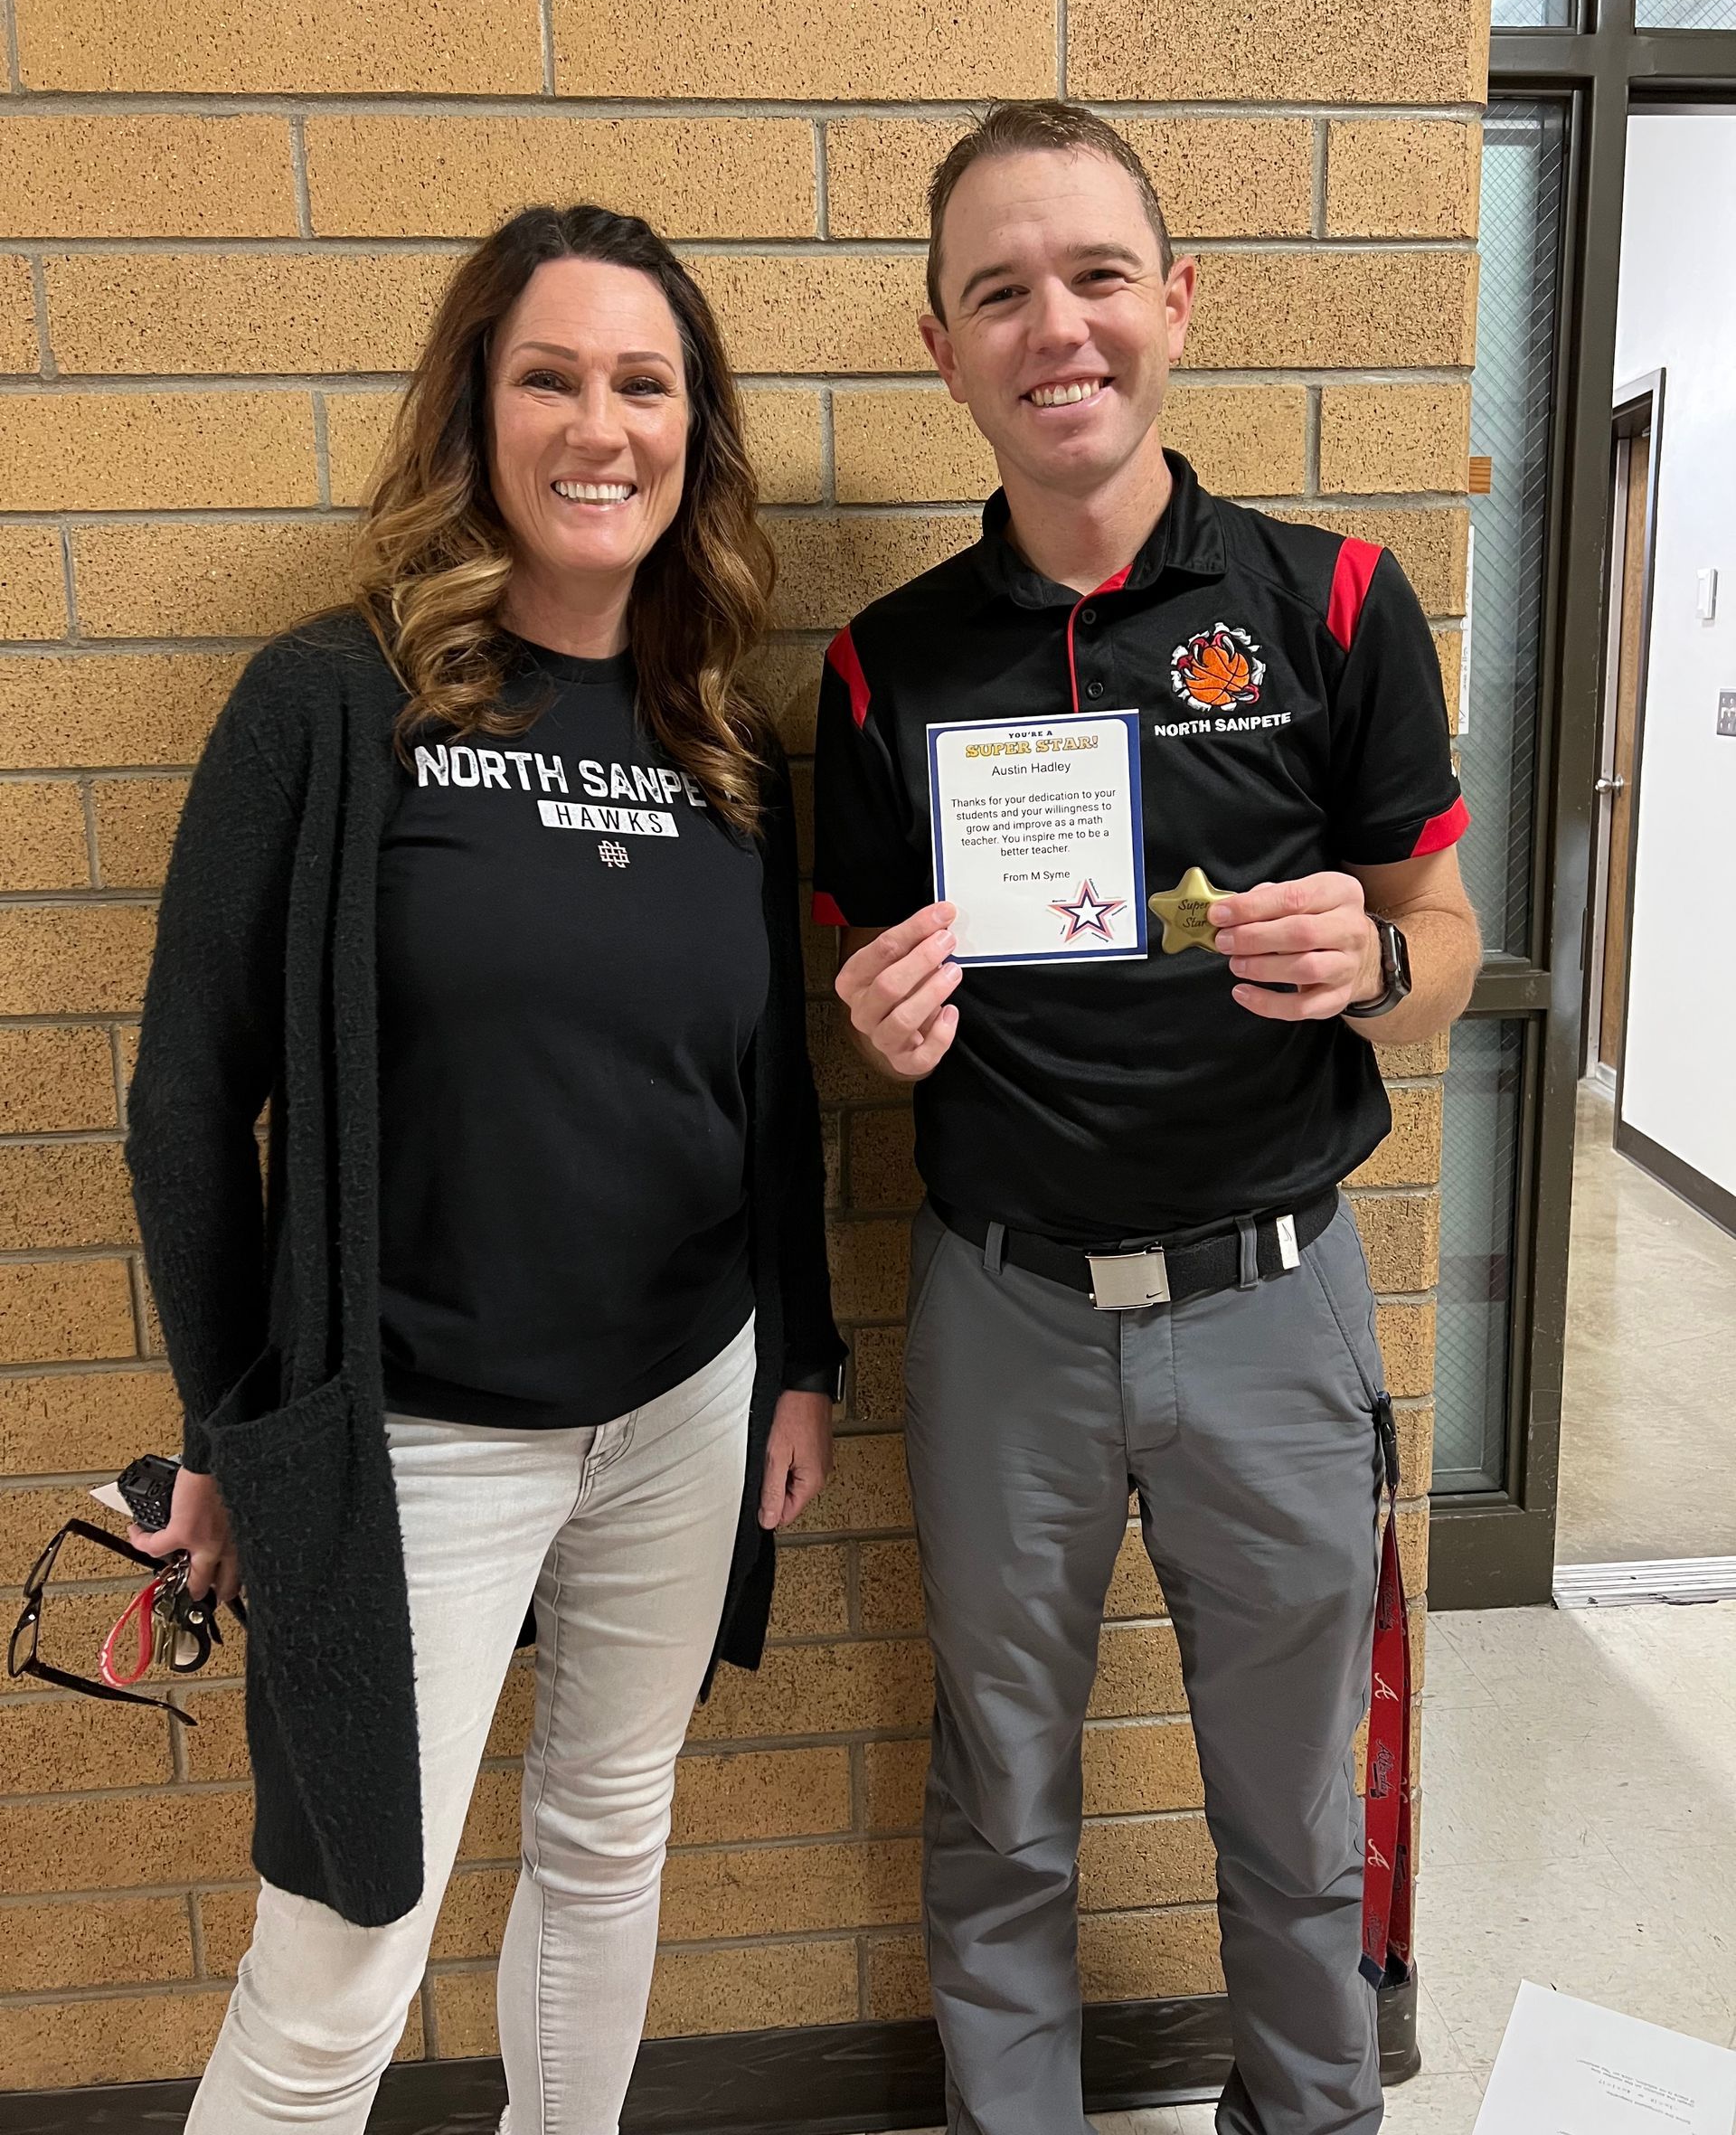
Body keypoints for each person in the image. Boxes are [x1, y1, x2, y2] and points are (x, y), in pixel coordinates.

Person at [124, 203, 844, 2135]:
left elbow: (766, 1078)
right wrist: (228, 1423)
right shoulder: (331, 705)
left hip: (684, 1398)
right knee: (345, 1942)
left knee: (611, 1839)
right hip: (408, 1432)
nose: (599, 424)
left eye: (644, 382)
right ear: (475, 409)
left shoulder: (722, 736)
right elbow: (189, 1096)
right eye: (551, 377)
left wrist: (801, 1353)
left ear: (696, 432)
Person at [812, 102, 1480, 2135]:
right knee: (1002, 1798)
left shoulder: (1335, 600)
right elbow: (848, 1006)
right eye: (1000, 289)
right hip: (1001, 1310)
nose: (1058, 326)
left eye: (1097, 274)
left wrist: (1369, 966)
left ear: (1175, 305)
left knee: (1288, 1813)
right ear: (942, 345)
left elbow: (1446, 936)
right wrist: (876, 1031)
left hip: (1274, 1305)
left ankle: (1311, 2115)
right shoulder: (881, 665)